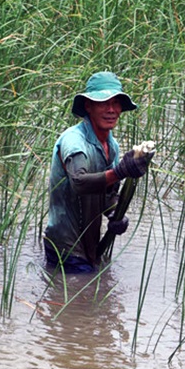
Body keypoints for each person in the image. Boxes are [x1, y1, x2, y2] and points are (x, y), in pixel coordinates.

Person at [44, 71, 150, 273]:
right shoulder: (74, 142)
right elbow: (79, 182)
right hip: (64, 245)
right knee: (81, 296)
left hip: (89, 243)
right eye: (103, 103)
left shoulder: (112, 146)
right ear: (88, 106)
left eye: (116, 103)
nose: (111, 110)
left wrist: (115, 213)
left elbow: (108, 192)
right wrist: (120, 172)